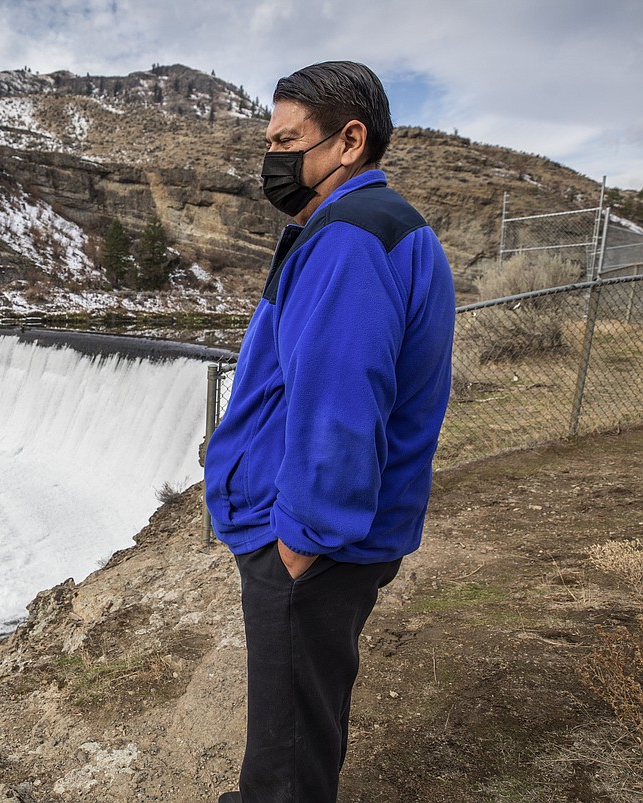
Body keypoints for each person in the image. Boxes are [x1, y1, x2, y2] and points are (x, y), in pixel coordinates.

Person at [204, 61, 456, 803]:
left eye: (287, 140)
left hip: (312, 544)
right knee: (305, 718)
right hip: (335, 538)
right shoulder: (380, 229)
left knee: (285, 749)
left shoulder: (349, 238)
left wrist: (299, 544)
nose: (272, 159)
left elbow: (340, 407)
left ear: (350, 141)